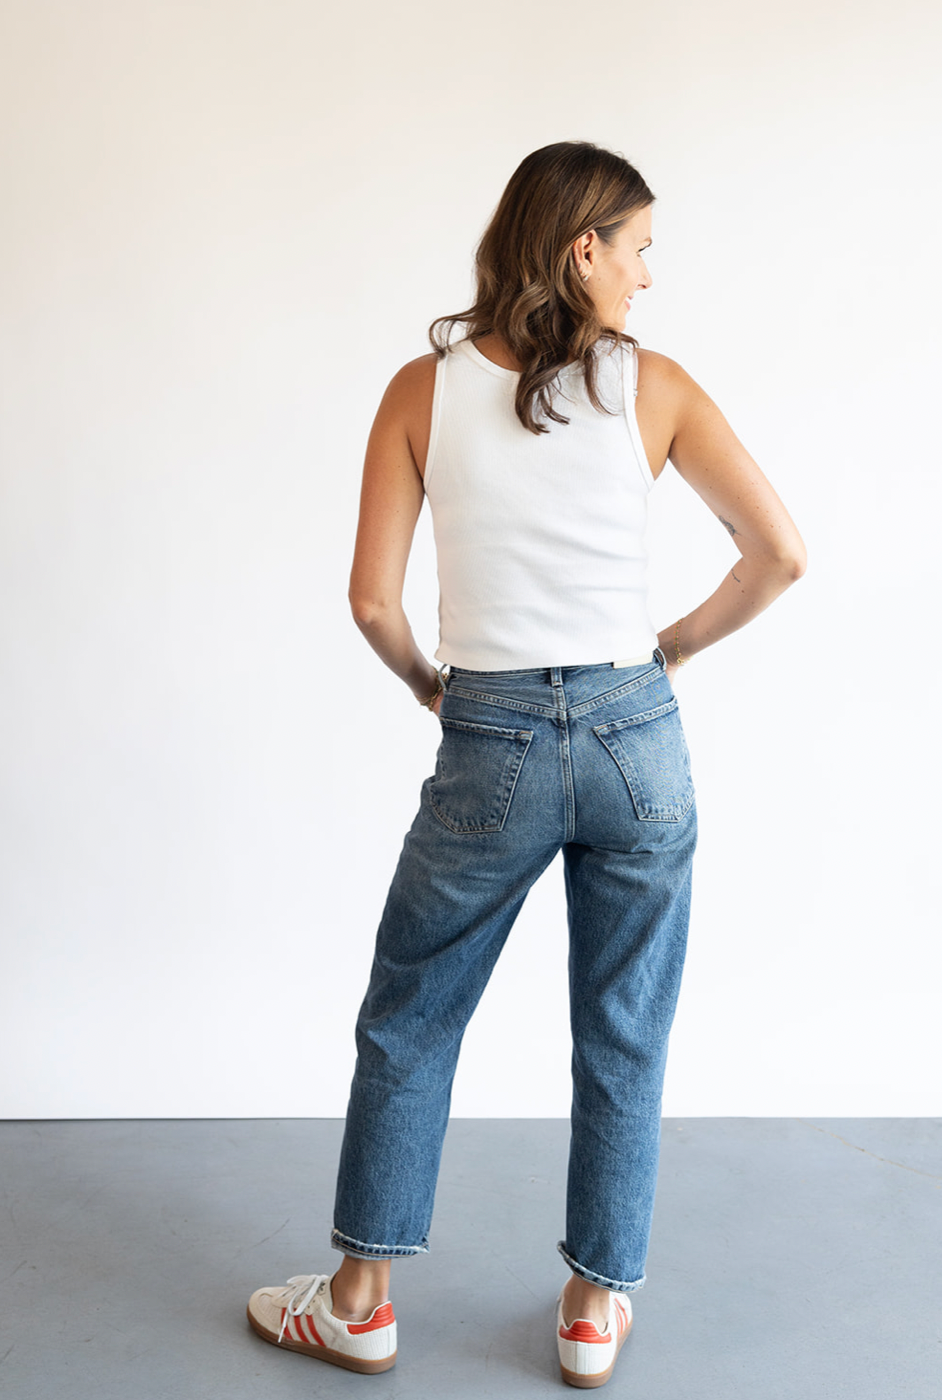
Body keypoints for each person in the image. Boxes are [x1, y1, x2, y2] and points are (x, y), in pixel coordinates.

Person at [246, 140, 806, 1388]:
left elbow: (371, 603)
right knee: (623, 1034)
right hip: (635, 737)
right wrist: (667, 650)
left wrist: (426, 685)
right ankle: (595, 1310)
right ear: (581, 248)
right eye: (641, 246)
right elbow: (778, 551)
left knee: (411, 1016)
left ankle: (359, 1301)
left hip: (488, 735)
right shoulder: (651, 389)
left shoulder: (415, 391)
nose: (650, 276)